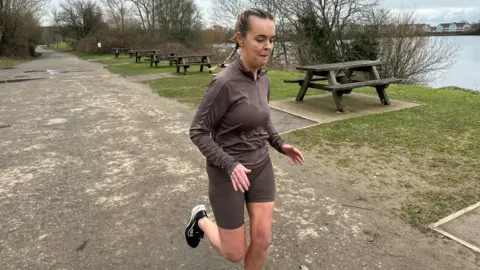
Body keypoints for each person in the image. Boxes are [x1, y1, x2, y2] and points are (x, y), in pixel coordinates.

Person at [185, 8, 305, 269]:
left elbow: (263, 120)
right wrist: (229, 164)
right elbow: (197, 131)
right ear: (241, 39)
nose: (268, 47)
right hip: (228, 173)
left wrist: (279, 143)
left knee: (262, 240)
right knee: (234, 252)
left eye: (272, 40)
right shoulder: (224, 84)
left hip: (260, 166)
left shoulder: (264, 80)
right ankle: (201, 221)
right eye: (260, 39)